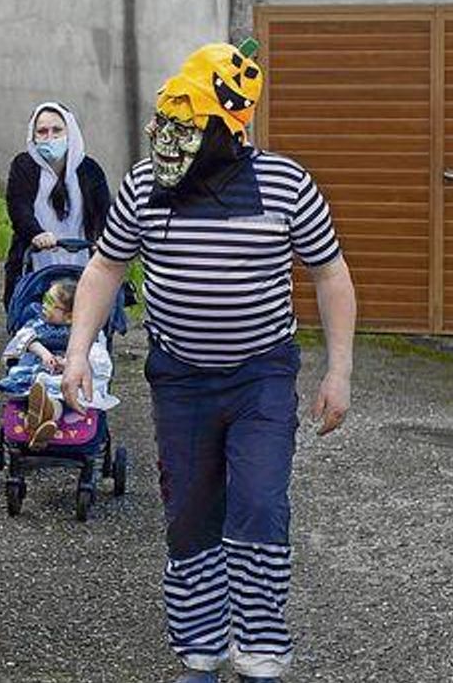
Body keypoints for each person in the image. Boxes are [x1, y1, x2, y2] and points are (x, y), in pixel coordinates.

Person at [59, 40, 356, 683]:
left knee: (257, 504)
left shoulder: (286, 184)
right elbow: (105, 267)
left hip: (261, 377)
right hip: (180, 381)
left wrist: (339, 372)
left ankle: (260, 649)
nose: (169, 137)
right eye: (165, 122)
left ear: (228, 128)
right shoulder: (144, 186)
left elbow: (331, 275)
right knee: (190, 510)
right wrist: (78, 350)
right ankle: (201, 647)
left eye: (186, 126)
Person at [3, 102, 111, 314]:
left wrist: (102, 239)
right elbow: (18, 207)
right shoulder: (24, 166)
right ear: (33, 136)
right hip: (37, 259)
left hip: (81, 257)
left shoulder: (90, 169)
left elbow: (104, 212)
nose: (50, 137)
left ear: (70, 132)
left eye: (57, 130)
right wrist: (36, 234)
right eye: (42, 132)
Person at [0, 280, 113, 450]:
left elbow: (96, 356)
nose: (44, 305)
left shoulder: (87, 331)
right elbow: (25, 339)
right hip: (38, 369)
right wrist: (44, 353)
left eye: (51, 303)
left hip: (67, 378)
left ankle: (41, 421)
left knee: (59, 395)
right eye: (44, 299)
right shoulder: (37, 324)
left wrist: (70, 363)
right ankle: (41, 419)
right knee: (37, 387)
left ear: (70, 315)